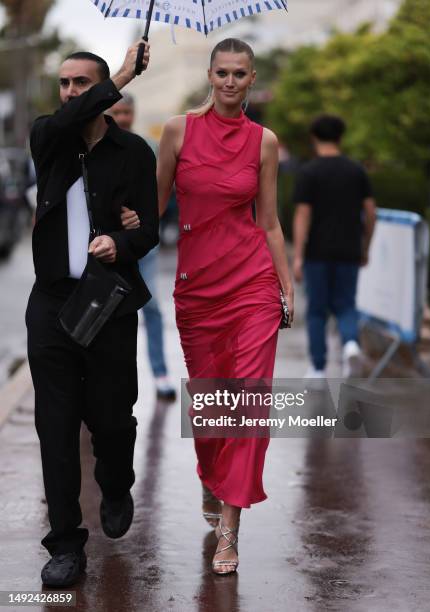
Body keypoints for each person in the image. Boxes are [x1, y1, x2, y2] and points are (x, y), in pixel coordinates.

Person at [156, 38, 294, 574]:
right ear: (209, 76)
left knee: (249, 401)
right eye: (223, 73)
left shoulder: (264, 142)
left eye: (240, 73)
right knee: (211, 404)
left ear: (252, 78)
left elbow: (270, 221)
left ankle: (230, 532)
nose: (231, 81)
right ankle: (211, 477)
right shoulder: (176, 131)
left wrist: (285, 286)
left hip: (253, 283)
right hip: (197, 288)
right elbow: (154, 204)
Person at [26, 42, 158, 587]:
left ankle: (116, 479)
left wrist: (121, 244)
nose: (71, 92)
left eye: (83, 83)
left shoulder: (134, 152)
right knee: (54, 428)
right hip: (53, 302)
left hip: (109, 301)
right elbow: (65, 122)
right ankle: (64, 546)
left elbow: (148, 231)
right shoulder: (48, 138)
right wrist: (121, 75)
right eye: (65, 83)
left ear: (102, 93)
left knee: (110, 417)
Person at [292, 114, 376, 378]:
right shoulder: (356, 170)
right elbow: (371, 212)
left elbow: (303, 214)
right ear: (341, 137)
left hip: (317, 252)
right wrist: (365, 246)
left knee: (317, 310)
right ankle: (350, 343)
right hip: (349, 250)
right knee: (346, 305)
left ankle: (318, 368)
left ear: (313, 138)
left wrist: (297, 256)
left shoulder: (309, 172)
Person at [110, 94, 176, 401]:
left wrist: (145, 219)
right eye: (117, 111)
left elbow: (161, 197)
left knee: (150, 306)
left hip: (143, 245)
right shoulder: (95, 148)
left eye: (127, 112)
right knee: (101, 308)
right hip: (106, 243)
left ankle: (160, 373)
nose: (123, 117)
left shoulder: (147, 148)